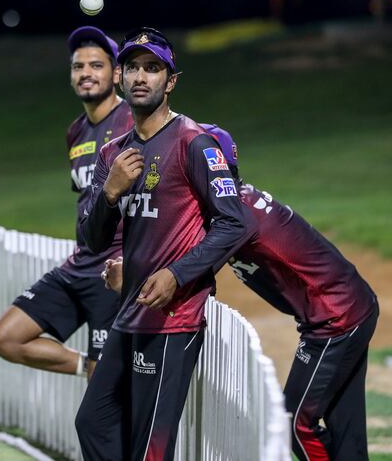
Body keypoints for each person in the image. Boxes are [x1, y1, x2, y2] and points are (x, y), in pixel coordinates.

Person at [104, 124, 379, 461]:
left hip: (337, 318)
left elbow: (182, 281)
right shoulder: (234, 206)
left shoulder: (231, 221)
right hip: (342, 310)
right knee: (346, 435)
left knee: (296, 424)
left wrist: (128, 284)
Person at [74, 27, 256, 461]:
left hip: (173, 318)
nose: (141, 77)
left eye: (152, 69)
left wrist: (178, 274)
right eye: (133, 68)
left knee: (150, 447)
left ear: (170, 81)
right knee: (93, 421)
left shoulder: (194, 142)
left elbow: (234, 225)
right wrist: (110, 193)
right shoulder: (113, 153)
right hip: (131, 310)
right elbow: (91, 239)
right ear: (120, 77)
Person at [0, 26, 134, 379]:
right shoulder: (76, 131)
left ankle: (101, 375)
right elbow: (87, 198)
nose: (86, 73)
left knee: (106, 404)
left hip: (113, 271)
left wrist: (135, 261)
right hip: (79, 265)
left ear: (115, 74)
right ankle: (89, 367)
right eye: (78, 66)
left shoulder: (133, 120)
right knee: (5, 338)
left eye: (96, 65)